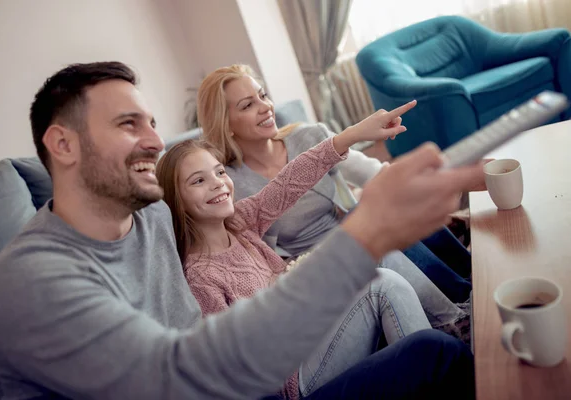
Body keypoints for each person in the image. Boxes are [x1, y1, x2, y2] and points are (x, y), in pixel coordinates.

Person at [0, 61, 483, 400]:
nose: (155, 140)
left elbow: (277, 191)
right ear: (62, 145)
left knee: (413, 323)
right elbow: (179, 374)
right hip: (256, 384)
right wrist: (362, 238)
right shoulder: (29, 283)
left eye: (152, 122)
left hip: (263, 369)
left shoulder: (152, 214)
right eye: (129, 124)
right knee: (430, 350)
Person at [156, 112, 432, 398]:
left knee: (372, 255)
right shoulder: (200, 277)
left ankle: (439, 343)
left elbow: (290, 181)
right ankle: (435, 363)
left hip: (311, 330)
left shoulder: (240, 223)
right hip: (293, 375)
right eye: (198, 181)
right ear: (177, 201)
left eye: (220, 172)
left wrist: (352, 134)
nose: (217, 183)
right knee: (381, 286)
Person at [198, 64, 473, 303]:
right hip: (314, 261)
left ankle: (469, 269)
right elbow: (253, 253)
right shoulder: (230, 184)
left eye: (263, 96)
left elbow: (374, 174)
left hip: (355, 222)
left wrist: (432, 182)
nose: (265, 107)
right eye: (248, 105)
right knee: (372, 220)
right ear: (226, 124)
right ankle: (463, 297)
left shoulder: (308, 136)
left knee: (386, 203)